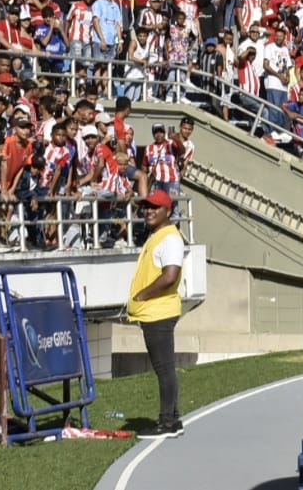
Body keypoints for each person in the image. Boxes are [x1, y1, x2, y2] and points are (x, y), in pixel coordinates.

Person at [126, 189, 186, 440]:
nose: (148, 211)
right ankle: (173, 418)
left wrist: (142, 295)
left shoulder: (169, 238)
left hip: (158, 311)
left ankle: (167, 422)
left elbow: (170, 275)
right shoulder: (158, 236)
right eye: (146, 207)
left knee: (164, 368)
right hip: (154, 311)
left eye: (155, 207)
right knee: (165, 367)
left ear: (168, 211)